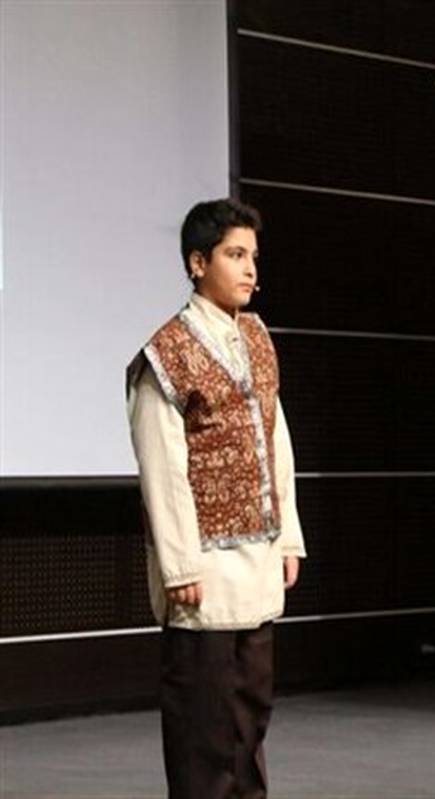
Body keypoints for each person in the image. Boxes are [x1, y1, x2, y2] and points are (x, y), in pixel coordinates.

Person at [126, 198, 306, 798]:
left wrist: (288, 535)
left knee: (249, 717)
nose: (250, 268)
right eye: (235, 254)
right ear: (197, 263)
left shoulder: (255, 336)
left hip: (256, 561)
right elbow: (162, 465)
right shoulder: (168, 353)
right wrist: (179, 565)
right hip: (203, 568)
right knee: (203, 728)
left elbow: (275, 439)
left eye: (253, 255)